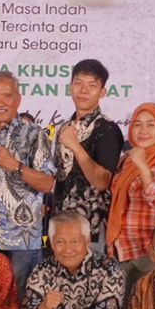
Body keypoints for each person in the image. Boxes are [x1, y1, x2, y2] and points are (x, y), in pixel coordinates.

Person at [0, 71, 56, 291]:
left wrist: (16, 166)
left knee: (21, 303)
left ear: (18, 99)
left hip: (21, 242)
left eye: (7, 96)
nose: (0, 102)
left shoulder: (35, 134)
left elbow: (48, 183)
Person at [49, 59, 124, 244]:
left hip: (91, 228)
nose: (83, 90)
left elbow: (102, 182)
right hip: (60, 224)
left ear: (102, 92)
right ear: (70, 87)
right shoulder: (64, 127)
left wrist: (75, 146)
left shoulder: (107, 129)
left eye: (92, 85)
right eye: (78, 83)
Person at [107, 102, 155, 284]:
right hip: (124, 248)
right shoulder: (127, 160)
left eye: (151, 125)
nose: (143, 130)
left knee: (147, 302)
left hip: (148, 252)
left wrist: (144, 168)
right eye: (137, 124)